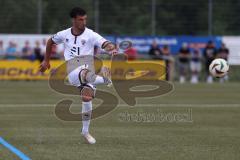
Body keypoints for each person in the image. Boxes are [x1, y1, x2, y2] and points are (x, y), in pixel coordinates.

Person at [39, 7, 117, 144]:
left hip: (88, 69)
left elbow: (104, 43)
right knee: (85, 74)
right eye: (81, 19)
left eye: (85, 19)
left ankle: (85, 131)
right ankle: (106, 79)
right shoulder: (64, 34)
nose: (84, 22)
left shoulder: (90, 34)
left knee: (87, 98)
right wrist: (46, 60)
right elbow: (50, 41)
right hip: (73, 70)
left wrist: (112, 48)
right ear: (74, 20)